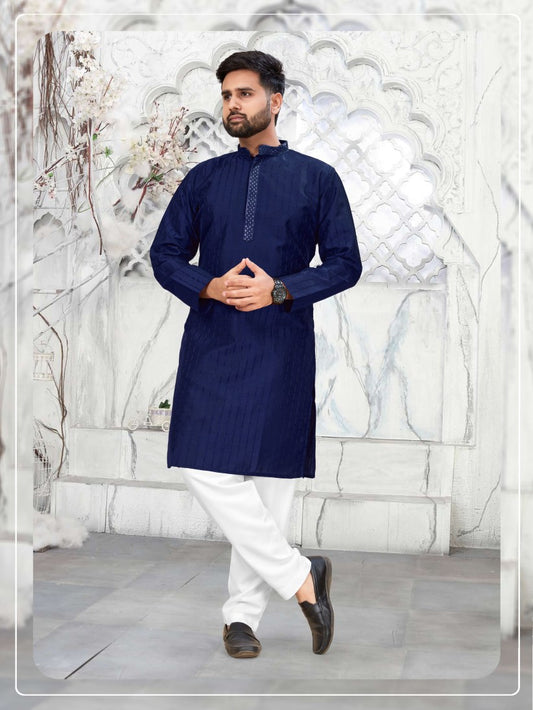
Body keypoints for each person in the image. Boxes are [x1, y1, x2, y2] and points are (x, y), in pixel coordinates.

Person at [149, 50, 362, 659]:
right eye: (226, 95)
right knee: (202, 464)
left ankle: (241, 618)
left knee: (270, 488)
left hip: (280, 345)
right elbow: (165, 255)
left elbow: (346, 264)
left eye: (244, 93)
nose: (232, 105)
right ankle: (301, 575)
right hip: (213, 342)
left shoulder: (317, 178)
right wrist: (210, 285)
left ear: (276, 99)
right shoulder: (204, 179)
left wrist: (280, 290)